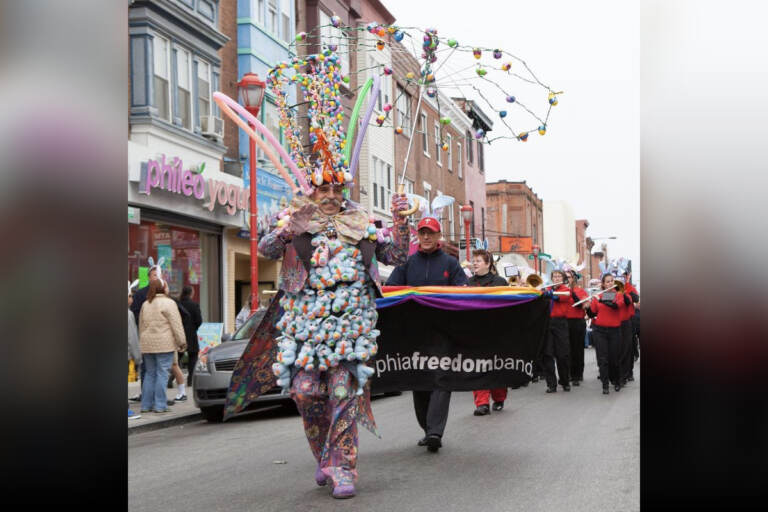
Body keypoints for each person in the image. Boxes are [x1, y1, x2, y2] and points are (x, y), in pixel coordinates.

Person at [258, 179, 409, 499]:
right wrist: (287, 231)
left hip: (350, 331)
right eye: (322, 190)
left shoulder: (362, 222)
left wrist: (401, 221)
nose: (329, 196)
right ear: (312, 192)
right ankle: (326, 454)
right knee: (305, 392)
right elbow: (265, 249)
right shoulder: (294, 219)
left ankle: (342, 468)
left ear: (344, 192)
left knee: (343, 392)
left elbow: (395, 256)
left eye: (335, 190)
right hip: (306, 332)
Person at [386, 215, 469, 453]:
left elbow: (465, 293)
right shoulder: (407, 263)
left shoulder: (451, 264)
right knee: (419, 381)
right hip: (414, 332)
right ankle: (427, 429)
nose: (425, 237)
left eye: (430, 233)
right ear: (417, 236)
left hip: (443, 331)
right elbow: (390, 290)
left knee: (442, 378)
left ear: (438, 236)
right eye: (422, 232)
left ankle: (435, 431)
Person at [468, 249, 510, 416]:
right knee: (477, 366)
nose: (474, 263)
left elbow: (509, 305)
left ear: (488, 263)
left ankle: (499, 397)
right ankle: (482, 403)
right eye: (474, 261)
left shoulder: (500, 282)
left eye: (478, 260)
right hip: (475, 330)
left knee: (496, 365)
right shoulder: (468, 283)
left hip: (496, 330)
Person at [139, 279, 187, 413]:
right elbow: (176, 325)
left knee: (150, 374)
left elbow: (141, 326)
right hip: (164, 344)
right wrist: (182, 342)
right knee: (162, 373)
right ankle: (160, 405)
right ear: (163, 288)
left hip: (147, 343)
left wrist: (141, 343)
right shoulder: (169, 303)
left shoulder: (145, 304)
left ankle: (146, 405)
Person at [586, 273, 630, 393]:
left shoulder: (618, 295)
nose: (610, 283)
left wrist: (600, 298)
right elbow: (591, 314)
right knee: (602, 359)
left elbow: (615, 306)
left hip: (614, 331)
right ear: (603, 284)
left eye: (611, 281)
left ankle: (616, 380)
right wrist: (587, 306)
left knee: (614, 358)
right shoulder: (598, 296)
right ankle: (605, 384)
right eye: (607, 281)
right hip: (599, 331)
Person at [129, 265, 160, 402]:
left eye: (158, 275)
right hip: (145, 336)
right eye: (154, 275)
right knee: (146, 368)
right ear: (148, 277)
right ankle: (147, 396)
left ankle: (157, 397)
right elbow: (135, 313)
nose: (157, 277)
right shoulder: (141, 294)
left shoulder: (163, 293)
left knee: (159, 369)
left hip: (160, 337)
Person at [542, 269, 573, 393]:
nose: (556, 278)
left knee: (562, 355)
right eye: (554, 276)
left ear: (563, 278)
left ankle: (565, 381)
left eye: (559, 276)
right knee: (547, 354)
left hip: (560, 323)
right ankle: (551, 384)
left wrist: (550, 294)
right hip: (547, 323)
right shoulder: (548, 289)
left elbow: (559, 298)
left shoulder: (566, 290)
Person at [564, 270, 589, 386]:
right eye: (565, 277)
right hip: (565, 322)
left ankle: (577, 375)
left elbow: (584, 305)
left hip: (577, 322)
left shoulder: (581, 291)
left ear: (573, 278)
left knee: (577, 349)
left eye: (568, 277)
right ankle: (568, 373)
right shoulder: (562, 291)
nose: (566, 279)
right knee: (566, 349)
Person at [178, 286, 202, 386]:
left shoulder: (178, 304)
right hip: (191, 334)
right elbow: (199, 320)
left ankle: (171, 378)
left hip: (179, 333)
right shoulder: (194, 305)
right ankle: (190, 380)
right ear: (191, 294)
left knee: (177, 357)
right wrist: (194, 328)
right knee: (193, 356)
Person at [128, 283, 142, 420]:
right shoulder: (129, 314)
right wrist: (138, 357)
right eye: (130, 296)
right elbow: (132, 338)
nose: (132, 299)